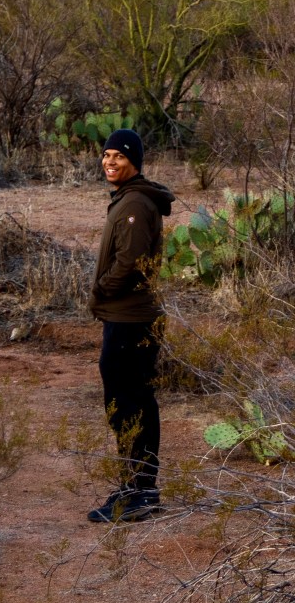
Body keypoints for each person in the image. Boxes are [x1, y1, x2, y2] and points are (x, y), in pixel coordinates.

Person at [86, 128, 174, 523]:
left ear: (134, 161)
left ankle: (140, 491)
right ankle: (135, 484)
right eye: (106, 156)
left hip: (131, 317)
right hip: (125, 316)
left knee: (130, 401)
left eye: (117, 157)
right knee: (127, 400)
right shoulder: (128, 199)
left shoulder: (136, 202)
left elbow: (131, 261)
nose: (109, 162)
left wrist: (102, 290)